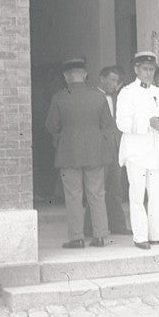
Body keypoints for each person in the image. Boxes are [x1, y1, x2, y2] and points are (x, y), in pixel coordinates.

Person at [44, 58, 114, 249]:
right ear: (84, 75)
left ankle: (77, 238)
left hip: (69, 153)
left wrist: (61, 135)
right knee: (97, 194)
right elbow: (107, 125)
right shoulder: (98, 96)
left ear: (66, 77)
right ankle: (100, 236)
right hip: (95, 153)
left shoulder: (59, 97)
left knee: (73, 196)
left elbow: (51, 125)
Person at [117, 51, 159, 250]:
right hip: (135, 151)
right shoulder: (127, 92)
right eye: (145, 69)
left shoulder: (157, 92)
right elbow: (121, 122)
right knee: (137, 195)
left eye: (151, 69)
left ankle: (156, 235)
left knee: (158, 194)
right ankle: (140, 237)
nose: (149, 73)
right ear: (136, 70)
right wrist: (147, 123)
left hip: (155, 150)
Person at [97, 65, 132, 236]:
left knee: (116, 190)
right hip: (100, 151)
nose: (114, 84)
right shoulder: (94, 97)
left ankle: (118, 225)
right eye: (111, 80)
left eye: (116, 81)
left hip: (117, 150)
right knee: (97, 190)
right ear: (102, 79)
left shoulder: (119, 99)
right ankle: (93, 227)